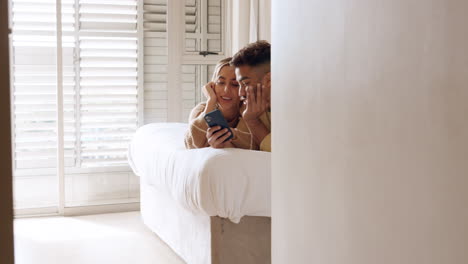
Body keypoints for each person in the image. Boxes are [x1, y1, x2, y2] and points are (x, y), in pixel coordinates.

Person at [184, 57, 254, 149]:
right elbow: (191, 145)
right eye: (220, 82)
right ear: (212, 85)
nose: (226, 90)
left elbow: (252, 144)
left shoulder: (248, 111)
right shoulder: (201, 110)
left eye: (235, 84)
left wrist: (229, 135)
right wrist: (211, 101)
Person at [230, 40, 271, 152]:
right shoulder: (252, 107)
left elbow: (283, 153)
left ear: (268, 80)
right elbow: (247, 149)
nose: (241, 93)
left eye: (246, 83)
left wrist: (252, 121)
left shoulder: (294, 108)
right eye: (239, 85)